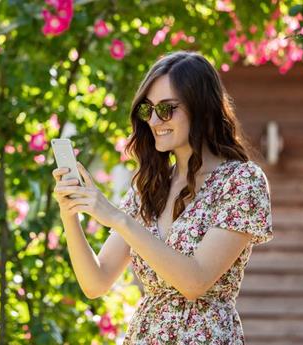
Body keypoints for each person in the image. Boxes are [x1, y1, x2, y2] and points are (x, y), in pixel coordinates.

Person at [52, 51, 273, 344]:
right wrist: (70, 213)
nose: (155, 120)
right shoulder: (149, 187)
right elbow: (96, 282)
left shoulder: (241, 182)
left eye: (167, 109)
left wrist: (119, 219)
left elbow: (194, 281)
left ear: (201, 108)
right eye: (148, 110)